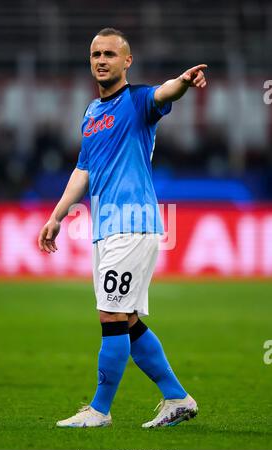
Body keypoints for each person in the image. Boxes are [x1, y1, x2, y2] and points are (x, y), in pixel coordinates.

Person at [38, 28, 207, 428]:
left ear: (126, 61)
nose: (101, 60)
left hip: (133, 226)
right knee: (126, 321)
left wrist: (182, 83)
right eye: (96, 53)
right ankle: (177, 398)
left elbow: (165, 93)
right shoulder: (91, 114)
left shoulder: (138, 101)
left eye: (110, 54)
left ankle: (99, 410)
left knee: (110, 317)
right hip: (106, 229)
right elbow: (84, 169)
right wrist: (57, 215)